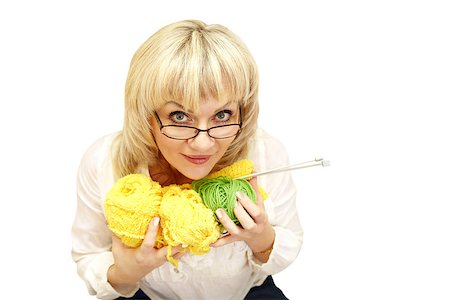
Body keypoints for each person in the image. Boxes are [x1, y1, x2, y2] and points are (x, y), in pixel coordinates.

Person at [71, 19, 303, 300]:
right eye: (179, 117)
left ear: (244, 110)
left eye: (223, 115)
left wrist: (261, 239)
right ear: (145, 113)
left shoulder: (265, 153)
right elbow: (88, 254)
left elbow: (289, 240)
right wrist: (126, 273)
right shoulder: (103, 161)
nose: (203, 143)